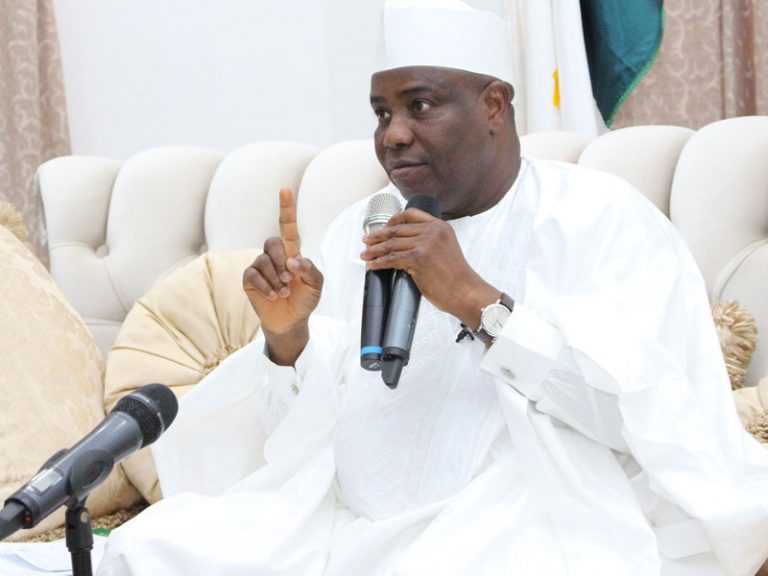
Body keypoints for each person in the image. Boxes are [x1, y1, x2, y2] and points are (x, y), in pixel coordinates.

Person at [96, 1, 768, 575]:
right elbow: (295, 438)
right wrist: (287, 340)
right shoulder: (363, 228)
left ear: (494, 105)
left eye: (419, 105)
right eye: (380, 112)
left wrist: (475, 300)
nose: (392, 135)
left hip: (518, 518)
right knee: (147, 548)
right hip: (334, 520)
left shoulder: (600, 219)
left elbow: (635, 424)